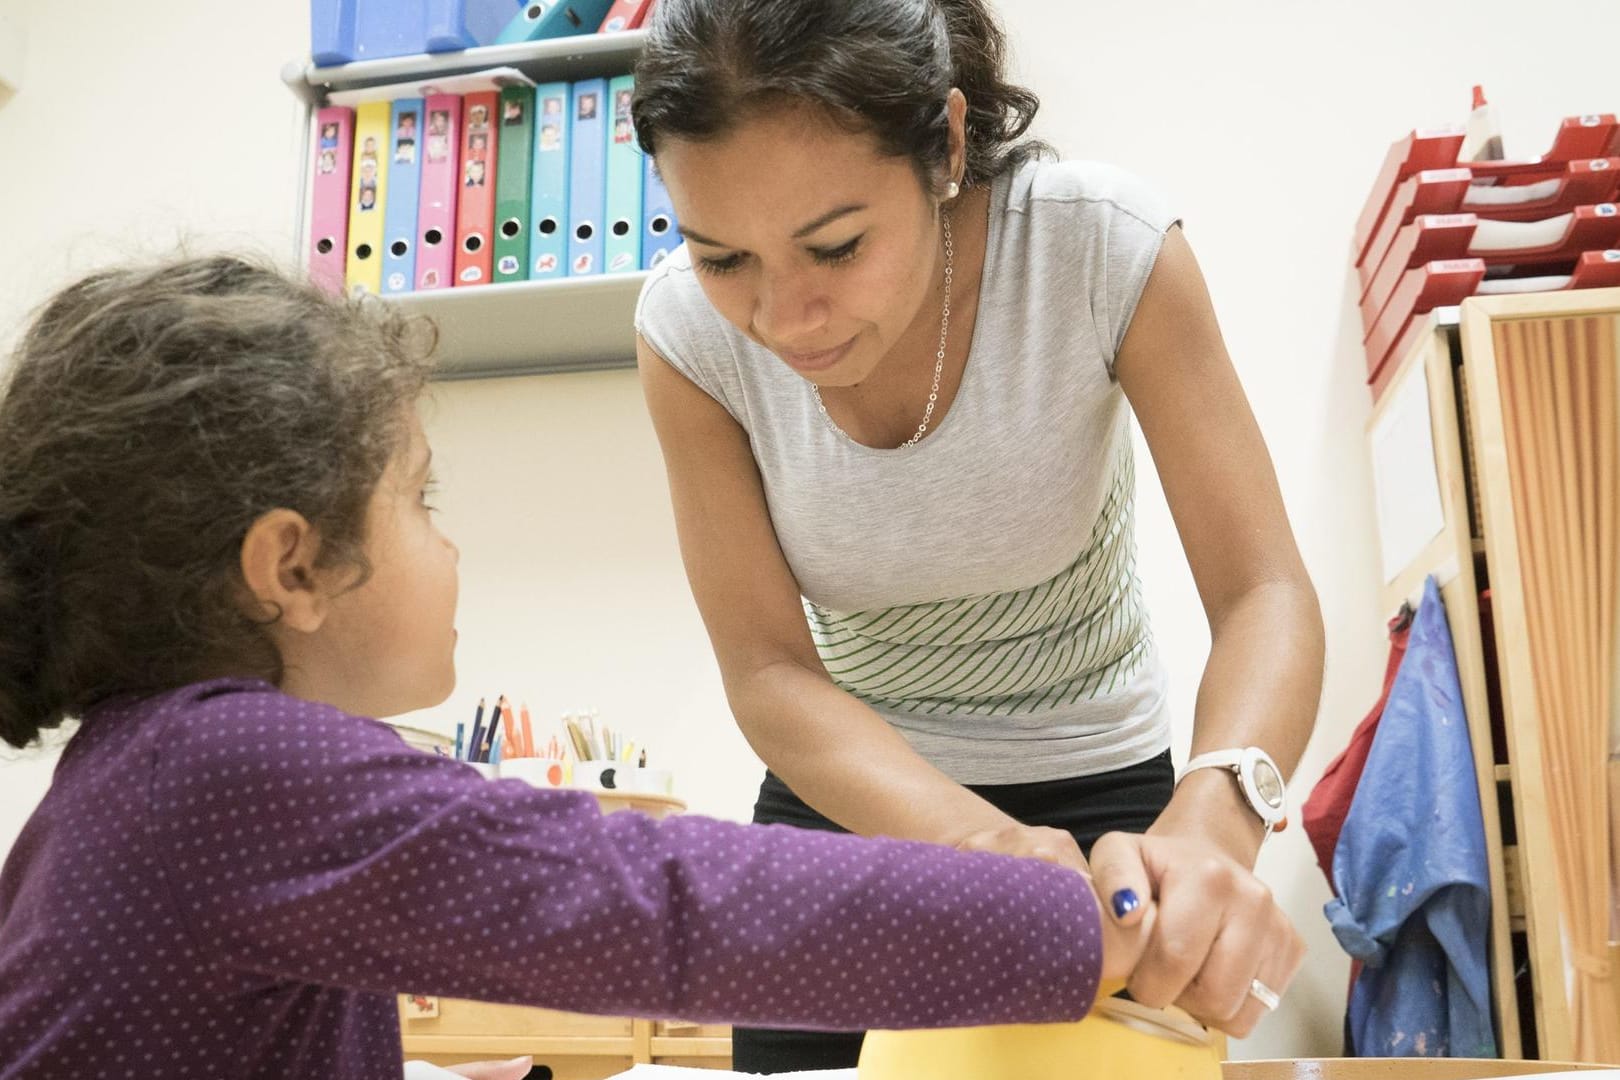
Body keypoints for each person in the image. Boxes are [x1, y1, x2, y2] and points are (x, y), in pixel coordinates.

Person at [0, 256, 1174, 1080]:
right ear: (289, 569)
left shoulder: (147, 778)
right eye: (419, 498)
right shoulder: (224, 769)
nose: (448, 540)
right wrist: (1063, 920)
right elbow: (660, 899)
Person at [630, 0, 1319, 1070]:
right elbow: (768, 669)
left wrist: (1220, 815)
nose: (785, 319)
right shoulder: (684, 336)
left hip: (1112, 807)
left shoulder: (1100, 250)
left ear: (946, 143)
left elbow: (1262, 591)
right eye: (725, 259)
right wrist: (978, 843)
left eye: (838, 246)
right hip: (846, 801)